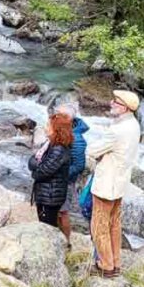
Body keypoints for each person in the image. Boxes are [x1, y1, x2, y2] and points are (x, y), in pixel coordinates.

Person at [86, 90, 142, 279]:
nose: (111, 103)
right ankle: (115, 262)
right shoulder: (134, 125)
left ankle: (106, 265)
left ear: (124, 107)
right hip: (119, 182)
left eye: (115, 102)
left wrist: (100, 152)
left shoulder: (117, 130)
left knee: (99, 225)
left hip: (106, 183)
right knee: (114, 224)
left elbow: (92, 150)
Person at [28, 113, 73, 228]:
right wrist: (36, 165)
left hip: (50, 198)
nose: (46, 128)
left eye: (49, 125)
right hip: (47, 195)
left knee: (48, 227)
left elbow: (43, 171)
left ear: (56, 129)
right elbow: (33, 161)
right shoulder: (49, 144)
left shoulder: (59, 149)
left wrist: (34, 170)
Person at [56, 105, 90, 245]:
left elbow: (79, 166)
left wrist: (60, 174)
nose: (55, 117)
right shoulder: (62, 130)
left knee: (63, 212)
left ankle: (67, 242)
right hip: (58, 178)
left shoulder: (77, 138)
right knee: (56, 211)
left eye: (58, 115)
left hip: (65, 181)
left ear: (68, 118)